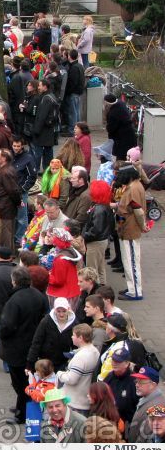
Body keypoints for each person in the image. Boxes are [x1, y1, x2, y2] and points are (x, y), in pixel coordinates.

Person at [0, 266, 47, 425]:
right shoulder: (39, 296)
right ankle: (22, 406)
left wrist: (2, 333)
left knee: (19, 382)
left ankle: (22, 413)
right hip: (33, 345)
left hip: (16, 348)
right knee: (26, 380)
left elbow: (7, 325)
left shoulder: (14, 301)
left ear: (14, 281)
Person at [113, 165, 148, 301]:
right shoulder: (135, 185)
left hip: (130, 230)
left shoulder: (133, 189)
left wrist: (143, 225)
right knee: (129, 260)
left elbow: (138, 211)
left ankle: (135, 291)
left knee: (131, 261)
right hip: (127, 228)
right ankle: (132, 287)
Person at [55, 323, 98, 415]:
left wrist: (59, 374)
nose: (71, 337)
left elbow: (72, 379)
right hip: (85, 400)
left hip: (75, 403)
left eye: (73, 335)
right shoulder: (95, 351)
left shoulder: (81, 357)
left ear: (81, 338)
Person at [128, 366, 165, 442]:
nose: (137, 385)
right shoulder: (147, 399)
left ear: (153, 385)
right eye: (136, 381)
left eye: (141, 382)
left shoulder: (157, 406)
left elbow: (146, 437)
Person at [104, 94, 137, 161]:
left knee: (122, 158)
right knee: (129, 157)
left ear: (107, 103)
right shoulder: (121, 103)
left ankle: (121, 170)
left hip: (122, 139)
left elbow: (111, 128)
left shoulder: (113, 113)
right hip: (130, 134)